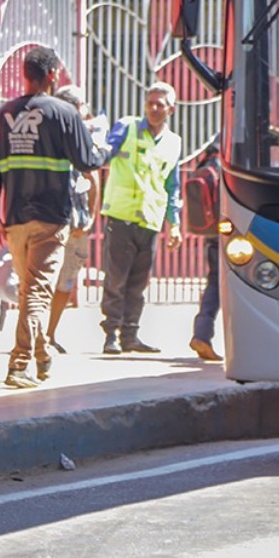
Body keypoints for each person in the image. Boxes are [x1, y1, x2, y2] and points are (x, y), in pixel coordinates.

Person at [0, 46, 108, 389]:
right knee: (37, 292)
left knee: (29, 291)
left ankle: (42, 353)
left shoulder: (3, 114)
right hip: (52, 217)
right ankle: (19, 364)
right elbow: (88, 161)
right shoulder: (64, 113)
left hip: (15, 219)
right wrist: (106, 144)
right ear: (52, 75)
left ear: (26, 73)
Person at [98, 81, 184, 355]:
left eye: (160, 104)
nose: (154, 109)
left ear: (171, 108)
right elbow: (106, 152)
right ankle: (110, 334)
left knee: (138, 283)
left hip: (150, 219)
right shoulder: (127, 127)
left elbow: (172, 186)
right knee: (116, 280)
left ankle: (130, 336)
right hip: (121, 216)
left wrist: (175, 225)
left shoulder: (174, 143)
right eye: (151, 103)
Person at [46, 84, 102, 355]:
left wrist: (91, 215)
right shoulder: (48, 135)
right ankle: (37, 336)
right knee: (43, 279)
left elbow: (94, 175)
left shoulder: (86, 135)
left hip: (77, 220)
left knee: (66, 281)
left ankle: (49, 334)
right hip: (53, 218)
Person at [188, 139, 224, 362]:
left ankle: (201, 334)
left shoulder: (205, 163)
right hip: (231, 236)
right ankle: (203, 335)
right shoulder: (225, 165)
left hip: (211, 234)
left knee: (214, 284)